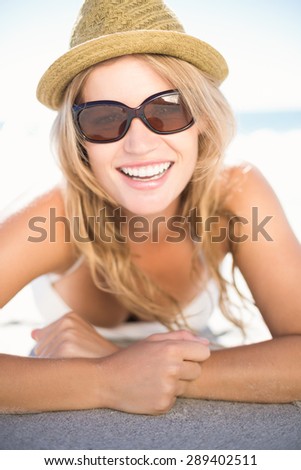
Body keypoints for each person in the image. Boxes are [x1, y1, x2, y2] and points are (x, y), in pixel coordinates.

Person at [0, 0, 300, 415]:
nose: (139, 144)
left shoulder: (235, 192)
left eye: (167, 109)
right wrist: (105, 381)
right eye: (104, 118)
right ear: (80, 139)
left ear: (203, 119)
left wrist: (119, 367)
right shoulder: (56, 216)